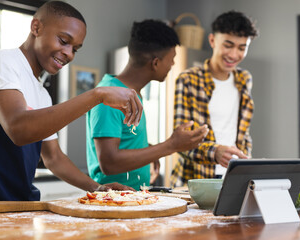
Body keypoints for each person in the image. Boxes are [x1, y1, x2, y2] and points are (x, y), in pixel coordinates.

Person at [0, 1, 142, 212]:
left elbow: (53, 157)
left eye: (75, 48)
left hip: (19, 206)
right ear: (36, 28)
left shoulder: (41, 94)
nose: (69, 53)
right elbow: (18, 129)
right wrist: (97, 95)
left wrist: (98, 188)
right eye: (64, 41)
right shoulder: (1, 62)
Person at [86, 19, 209, 190]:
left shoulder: (133, 94)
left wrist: (148, 150)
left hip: (135, 197)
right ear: (156, 63)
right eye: (171, 59)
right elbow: (109, 163)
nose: (173, 65)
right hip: (114, 202)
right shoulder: (109, 96)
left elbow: (124, 141)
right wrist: (170, 145)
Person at [170, 10, 259, 187]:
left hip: (234, 178)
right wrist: (214, 152)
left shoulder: (244, 79)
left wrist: (247, 160)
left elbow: (242, 133)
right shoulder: (188, 79)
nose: (234, 55)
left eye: (242, 48)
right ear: (212, 40)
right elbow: (180, 142)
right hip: (195, 181)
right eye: (228, 45)